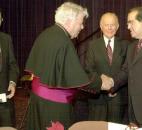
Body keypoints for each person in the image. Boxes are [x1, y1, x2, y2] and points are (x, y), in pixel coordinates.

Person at [25, 2, 112, 130]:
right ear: (69, 21)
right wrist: (100, 82)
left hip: (38, 100)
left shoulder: (46, 33)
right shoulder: (64, 42)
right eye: (80, 22)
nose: (82, 27)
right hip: (54, 107)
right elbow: (77, 79)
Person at [85, 12, 128, 123]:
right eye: (106, 24)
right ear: (100, 26)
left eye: (113, 25)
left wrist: (114, 85)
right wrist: (102, 81)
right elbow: (88, 69)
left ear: (118, 26)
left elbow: (126, 70)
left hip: (118, 98)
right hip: (97, 99)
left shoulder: (126, 45)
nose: (109, 28)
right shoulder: (92, 45)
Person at [110, 7, 142, 128]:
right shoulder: (132, 47)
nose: (128, 27)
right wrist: (112, 83)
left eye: (131, 22)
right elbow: (125, 71)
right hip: (134, 112)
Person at [0, 9, 19, 127]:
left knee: (8, 127)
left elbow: (13, 64)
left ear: (1, 21)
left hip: (4, 98)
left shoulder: (6, 39)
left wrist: (12, 82)